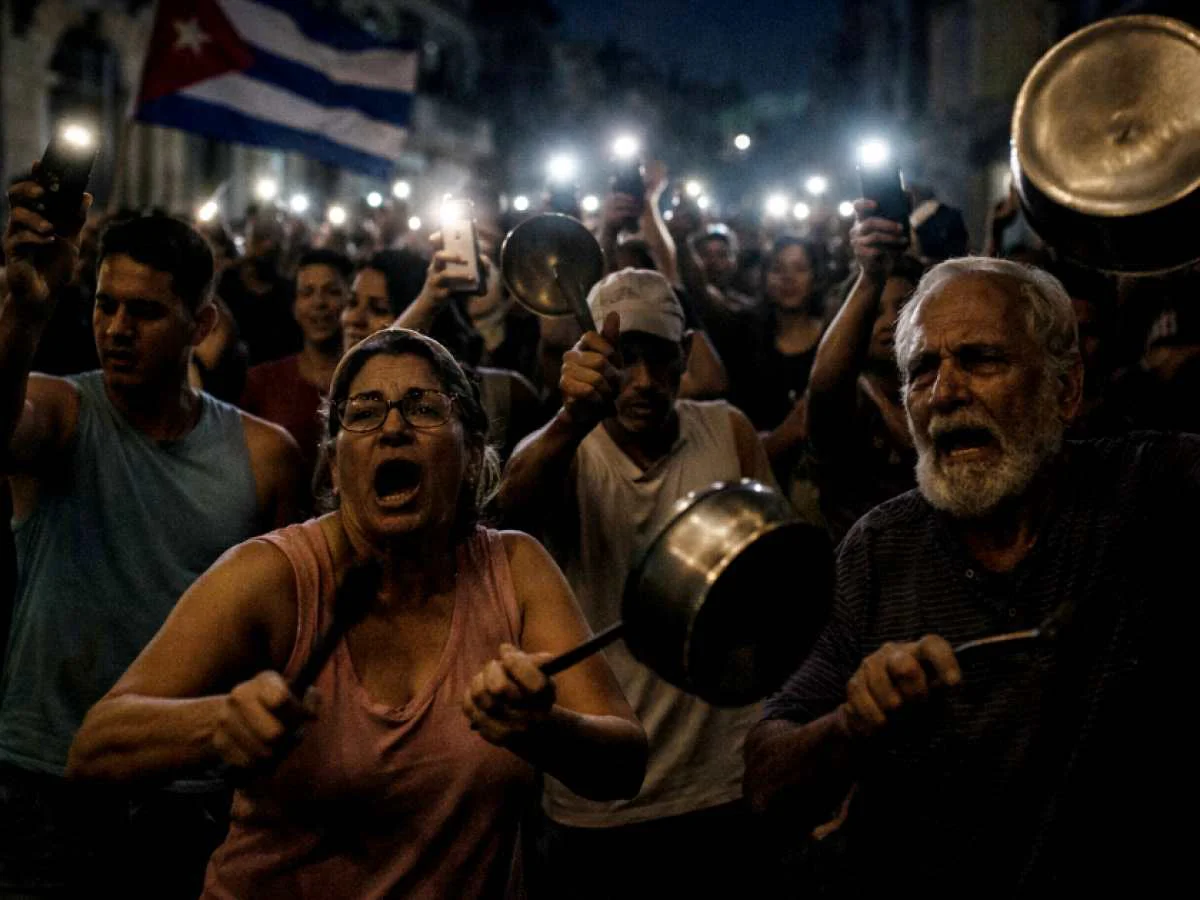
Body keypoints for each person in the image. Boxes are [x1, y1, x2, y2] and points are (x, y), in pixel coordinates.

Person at [68, 328, 648, 898]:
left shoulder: (515, 569)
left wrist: (545, 729)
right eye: (364, 413)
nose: (393, 428)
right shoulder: (272, 577)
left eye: (423, 408)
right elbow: (95, 748)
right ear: (333, 463)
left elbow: (625, 765)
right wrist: (218, 725)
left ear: (472, 454)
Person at [744, 256, 1200, 895]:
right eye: (921, 371)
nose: (945, 392)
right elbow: (766, 780)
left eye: (981, 360)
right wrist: (853, 723)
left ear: (1065, 390)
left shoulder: (1151, 490)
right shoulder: (879, 548)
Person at [0, 177, 305, 896]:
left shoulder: (264, 455)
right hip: (45, 780)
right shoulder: (63, 412)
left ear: (201, 326)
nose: (116, 329)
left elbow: (291, 627)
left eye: (144, 311)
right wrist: (22, 311)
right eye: (105, 304)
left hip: (190, 792)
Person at [497, 268, 779, 899]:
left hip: (724, 777)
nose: (645, 381)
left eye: (662, 358)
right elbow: (506, 511)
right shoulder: (564, 450)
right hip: (604, 798)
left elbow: (775, 583)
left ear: (687, 355)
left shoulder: (727, 430)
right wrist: (571, 418)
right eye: (625, 358)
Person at [806, 201, 923, 542]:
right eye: (875, 312)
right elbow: (824, 386)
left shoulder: (941, 392)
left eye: (902, 307)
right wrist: (870, 277)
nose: (889, 322)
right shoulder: (849, 403)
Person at [241, 248, 353, 483]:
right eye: (307, 292)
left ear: (349, 301)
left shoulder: (364, 380)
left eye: (332, 292)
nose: (319, 303)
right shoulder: (262, 382)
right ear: (294, 306)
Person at [218, 211, 300, 364]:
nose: (268, 245)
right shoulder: (226, 283)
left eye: (275, 240)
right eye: (260, 238)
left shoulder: (289, 292)